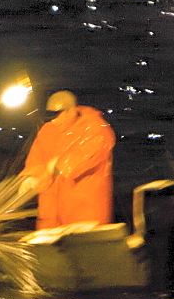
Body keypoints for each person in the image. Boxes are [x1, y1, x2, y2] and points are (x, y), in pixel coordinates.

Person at [21, 90, 115, 229]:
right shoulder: (48, 130)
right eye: (50, 114)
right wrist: (30, 177)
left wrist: (57, 165)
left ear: (72, 110)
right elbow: (35, 160)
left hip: (85, 216)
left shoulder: (95, 128)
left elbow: (84, 158)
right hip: (51, 216)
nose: (54, 119)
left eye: (58, 113)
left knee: (84, 248)